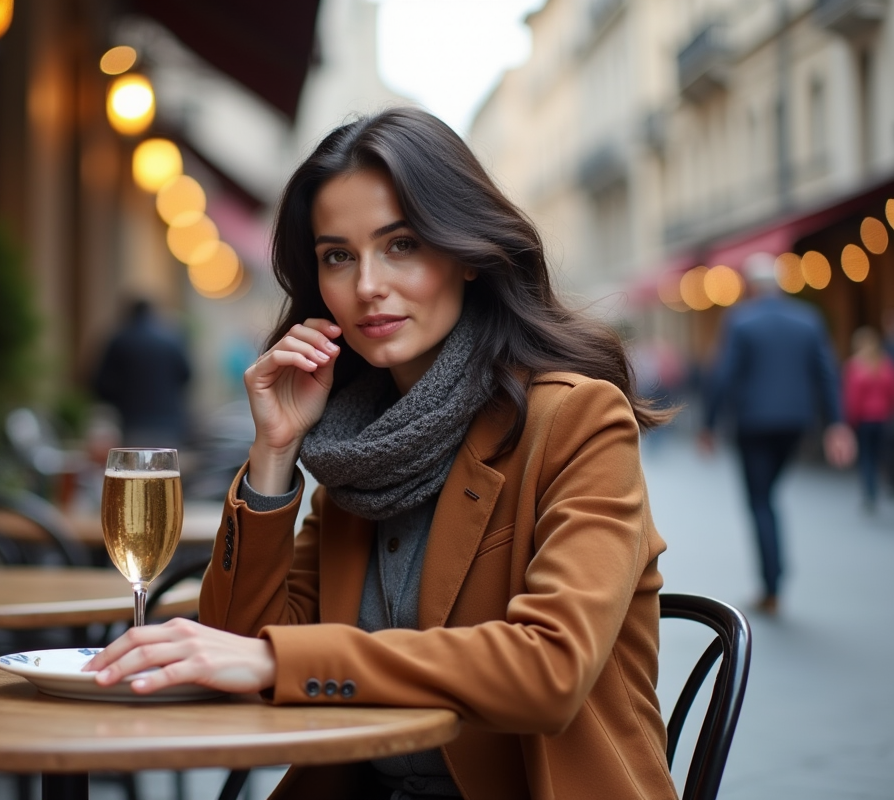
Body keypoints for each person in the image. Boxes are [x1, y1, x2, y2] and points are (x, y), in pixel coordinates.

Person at [85, 108, 678, 799]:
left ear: (467, 255)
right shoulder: (357, 453)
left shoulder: (576, 420)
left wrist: (279, 662)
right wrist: (275, 450)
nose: (367, 285)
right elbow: (238, 645)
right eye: (338, 256)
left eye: (401, 245)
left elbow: (550, 669)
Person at [699, 253, 855, 616]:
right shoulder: (808, 319)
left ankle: (772, 585)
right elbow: (827, 373)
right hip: (796, 423)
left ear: (751, 286)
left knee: (760, 500)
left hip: (753, 423)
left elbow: (724, 374)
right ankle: (775, 574)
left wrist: (708, 424)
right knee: (768, 496)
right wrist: (836, 422)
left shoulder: (740, 320)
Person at [91, 297, 192, 448]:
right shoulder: (171, 340)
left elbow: (101, 383)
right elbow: (187, 376)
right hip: (169, 424)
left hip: (133, 423)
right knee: (167, 460)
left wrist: (122, 398)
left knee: (135, 460)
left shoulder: (119, 341)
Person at [842, 326, 894, 512]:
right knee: (882, 454)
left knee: (867, 456)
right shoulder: (884, 364)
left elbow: (853, 397)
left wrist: (850, 419)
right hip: (883, 417)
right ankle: (886, 484)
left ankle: (870, 492)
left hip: (864, 419)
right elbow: (891, 392)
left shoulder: (855, 366)